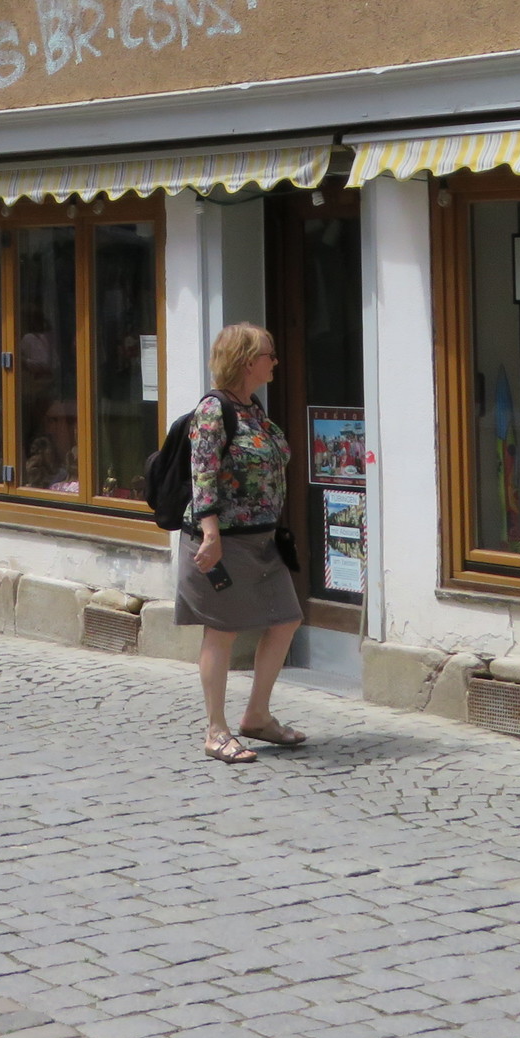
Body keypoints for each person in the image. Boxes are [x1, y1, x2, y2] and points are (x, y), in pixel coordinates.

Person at [179, 322, 306, 763]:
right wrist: (210, 533)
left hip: (263, 539)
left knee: (286, 619)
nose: (275, 361)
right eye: (269, 354)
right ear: (248, 361)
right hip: (223, 541)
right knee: (223, 630)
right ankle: (216, 731)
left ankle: (257, 716)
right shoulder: (214, 410)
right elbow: (202, 474)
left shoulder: (253, 408)